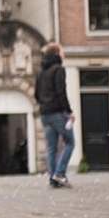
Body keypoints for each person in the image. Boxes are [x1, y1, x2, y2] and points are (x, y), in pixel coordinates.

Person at [35, 42, 74, 188]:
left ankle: (53, 178)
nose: (64, 55)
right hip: (58, 112)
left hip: (45, 114)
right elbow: (61, 92)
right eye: (62, 52)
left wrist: (44, 104)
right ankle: (60, 173)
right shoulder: (58, 70)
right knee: (70, 142)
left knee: (51, 146)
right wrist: (69, 112)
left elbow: (36, 94)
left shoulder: (40, 72)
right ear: (57, 54)